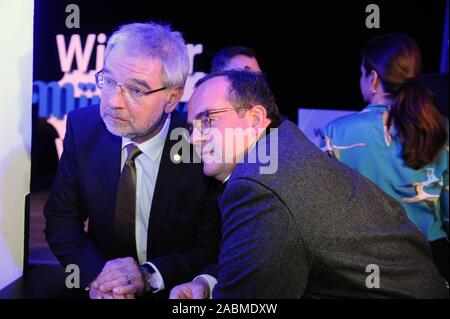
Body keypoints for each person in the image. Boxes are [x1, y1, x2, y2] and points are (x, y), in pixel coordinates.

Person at [169, 70, 448, 299]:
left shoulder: (258, 184)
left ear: (255, 119)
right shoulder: (281, 144)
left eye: (207, 121)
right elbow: (261, 263)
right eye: (192, 127)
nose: (194, 139)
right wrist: (207, 283)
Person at [44, 22, 220, 299]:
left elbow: (210, 247)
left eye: (136, 90)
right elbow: (61, 221)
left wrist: (149, 275)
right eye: (109, 81)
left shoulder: (199, 147)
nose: (113, 101)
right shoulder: (83, 126)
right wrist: (100, 278)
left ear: (172, 97)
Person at [321, 33, 449, 281]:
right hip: (426, 267)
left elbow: (323, 213)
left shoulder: (336, 132)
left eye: (361, 73)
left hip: (358, 265)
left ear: (373, 78)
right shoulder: (442, 130)